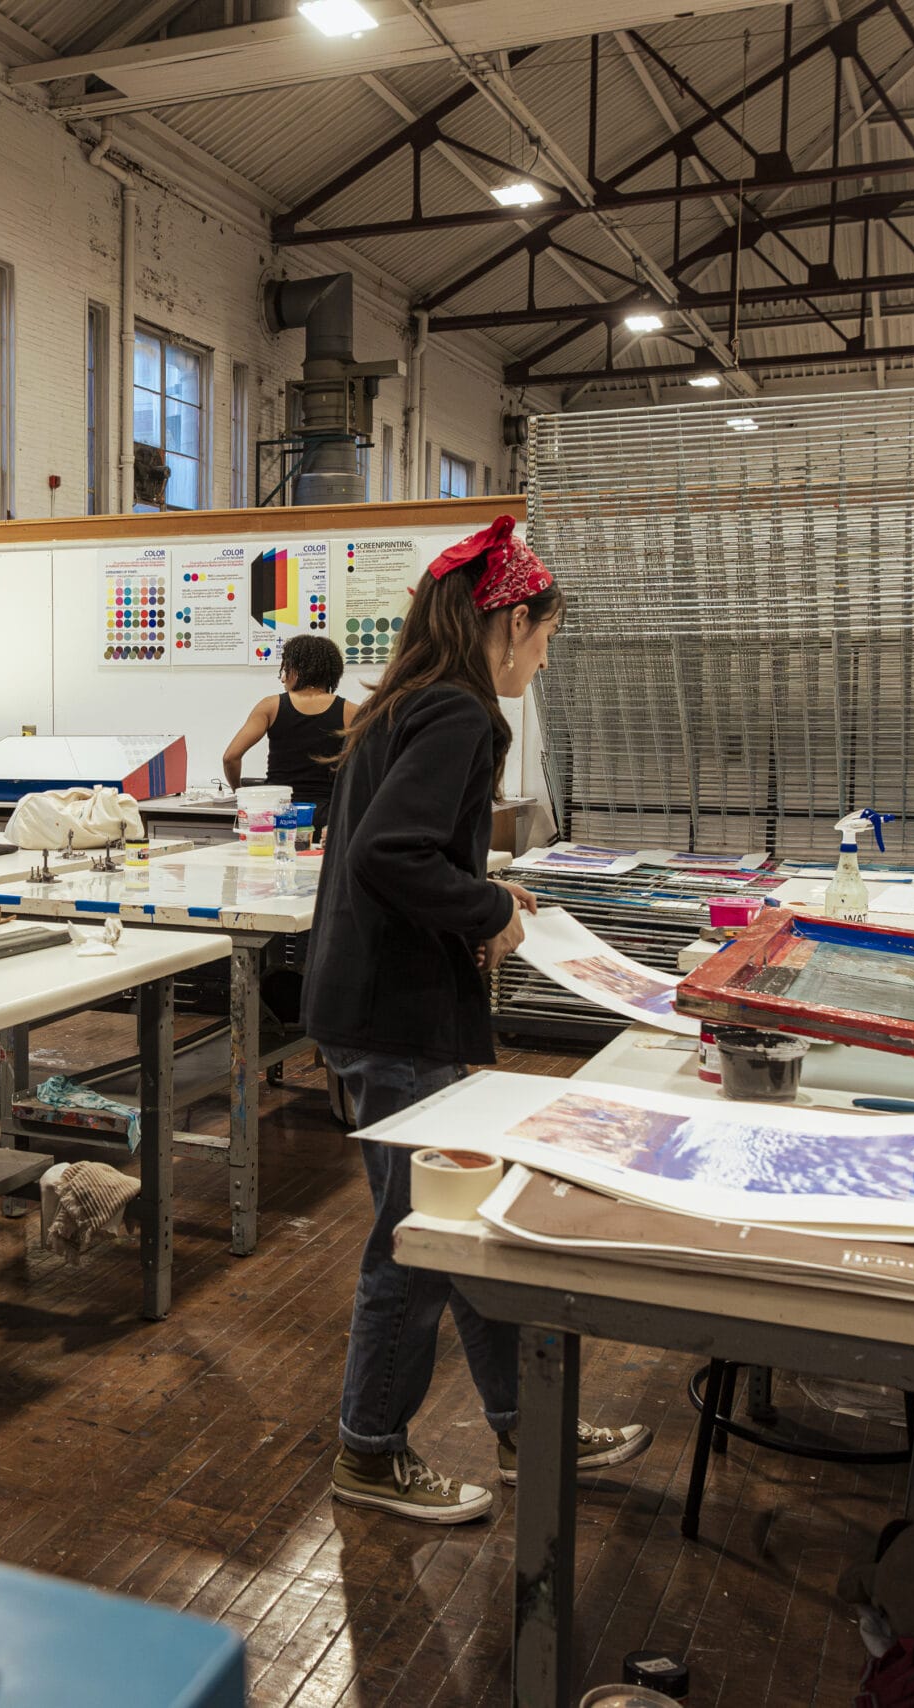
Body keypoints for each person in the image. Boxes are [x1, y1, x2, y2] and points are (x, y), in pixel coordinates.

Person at [306, 515, 650, 1524]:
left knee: (465, 1224)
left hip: (373, 1000)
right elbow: (389, 857)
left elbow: (397, 852)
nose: (542, 658)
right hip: (401, 1014)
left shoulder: (408, 700)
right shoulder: (460, 714)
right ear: (505, 623)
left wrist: (488, 887)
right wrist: (489, 908)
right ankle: (368, 1452)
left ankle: (522, 1423)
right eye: (542, 637)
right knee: (416, 1240)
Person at [221, 632, 349, 810]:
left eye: (285, 668)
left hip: (278, 811)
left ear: (296, 670)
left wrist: (240, 794)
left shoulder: (270, 707)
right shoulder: (351, 712)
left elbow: (230, 757)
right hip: (328, 812)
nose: (283, 677)